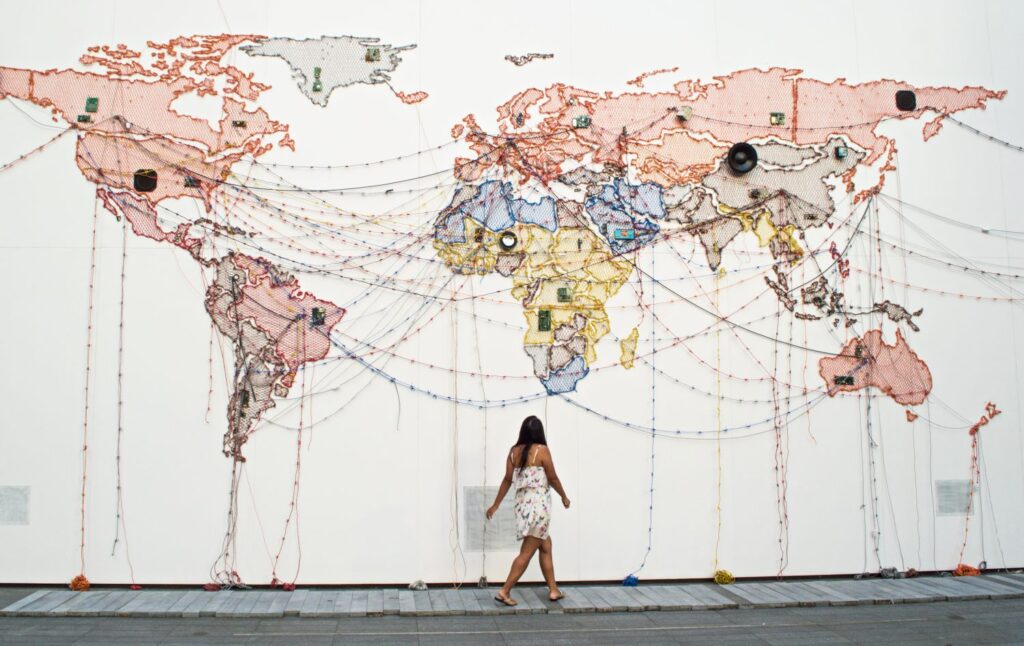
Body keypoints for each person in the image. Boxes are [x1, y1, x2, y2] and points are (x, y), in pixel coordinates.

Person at [486, 415, 571, 605]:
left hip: (523, 507)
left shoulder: (513, 452)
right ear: (539, 432)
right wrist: (564, 496)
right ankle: (505, 591)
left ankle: (554, 590)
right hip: (539, 508)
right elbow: (553, 478)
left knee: (545, 545)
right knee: (526, 552)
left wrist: (495, 505)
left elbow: (507, 480)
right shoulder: (542, 450)